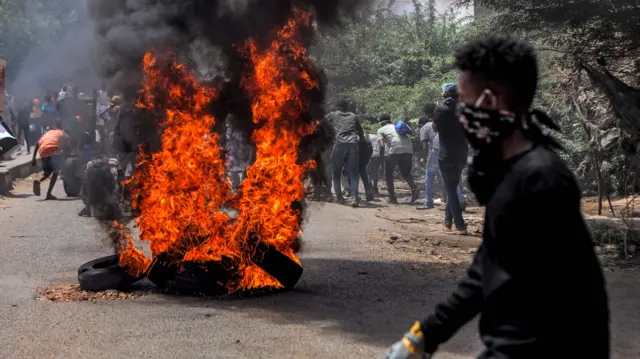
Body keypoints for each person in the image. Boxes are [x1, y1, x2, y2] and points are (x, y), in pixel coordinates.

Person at [386, 35, 609, 359]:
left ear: (489, 101)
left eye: (464, 101)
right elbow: (487, 270)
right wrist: (424, 335)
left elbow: (557, 305)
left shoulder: (540, 179)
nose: (459, 114)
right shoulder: (513, 171)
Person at [433, 83, 468, 234]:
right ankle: (447, 221)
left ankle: (460, 225)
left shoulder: (441, 109)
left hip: (446, 155)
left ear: (445, 95)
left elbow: (435, 127)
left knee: (450, 190)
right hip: (461, 155)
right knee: (452, 187)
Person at [417, 114, 464, 210]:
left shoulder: (424, 128)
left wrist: (425, 158)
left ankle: (428, 202)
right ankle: (460, 199)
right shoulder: (446, 124)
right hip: (450, 151)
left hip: (437, 151)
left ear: (420, 124)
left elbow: (425, 145)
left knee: (429, 178)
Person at [326, 99, 365, 207]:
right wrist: (362, 140)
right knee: (353, 173)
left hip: (339, 145)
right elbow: (360, 132)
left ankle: (339, 198)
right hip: (353, 144)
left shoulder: (333, 114)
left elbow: (322, 124)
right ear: (346, 107)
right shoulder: (353, 116)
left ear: (337, 107)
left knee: (336, 173)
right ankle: (354, 198)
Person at [376, 114, 419, 204]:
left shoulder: (380, 130)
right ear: (390, 120)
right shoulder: (396, 126)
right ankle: (414, 188)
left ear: (381, 122)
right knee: (406, 172)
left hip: (395, 148)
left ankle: (392, 197)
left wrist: (381, 158)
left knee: (388, 173)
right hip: (408, 147)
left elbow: (381, 144)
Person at [31, 123, 70, 200]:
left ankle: (38, 181)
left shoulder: (47, 133)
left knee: (47, 173)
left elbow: (37, 143)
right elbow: (67, 147)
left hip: (43, 151)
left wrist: (33, 158)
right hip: (53, 150)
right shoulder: (64, 134)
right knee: (55, 173)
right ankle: (49, 194)